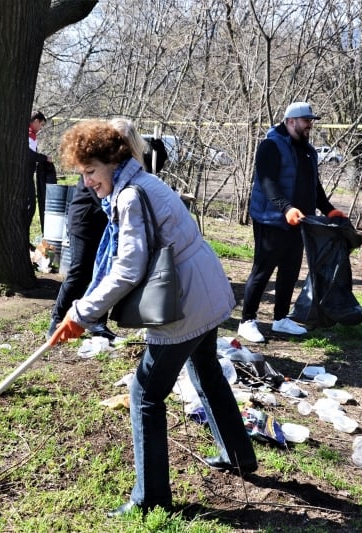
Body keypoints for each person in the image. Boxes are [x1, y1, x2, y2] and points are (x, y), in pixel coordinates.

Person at [50, 120, 256, 518]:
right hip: (205, 290)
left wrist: (80, 314)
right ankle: (238, 454)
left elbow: (128, 269)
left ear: (113, 160)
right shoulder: (144, 181)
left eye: (91, 172)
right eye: (83, 174)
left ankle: (151, 500)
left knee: (145, 394)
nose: (88, 183)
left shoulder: (130, 196)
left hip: (183, 300)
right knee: (206, 370)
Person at [46, 118, 167, 340]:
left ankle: (97, 322)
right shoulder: (97, 168)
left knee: (105, 271)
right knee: (80, 271)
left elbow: (144, 168)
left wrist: (159, 150)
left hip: (105, 224)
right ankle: (57, 319)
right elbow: (107, 197)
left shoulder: (125, 172)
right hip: (84, 221)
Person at [238, 102, 345, 343]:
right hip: (271, 219)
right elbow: (268, 183)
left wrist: (329, 209)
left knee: (290, 271)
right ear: (290, 121)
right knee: (262, 271)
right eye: (306, 120)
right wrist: (285, 208)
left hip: (300, 221)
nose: (310, 125)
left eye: (311, 121)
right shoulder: (270, 146)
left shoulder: (308, 151)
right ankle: (247, 321)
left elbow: (313, 185)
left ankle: (280, 319)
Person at [27, 111, 56, 237]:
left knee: (31, 207)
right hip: (25, 176)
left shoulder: (32, 136)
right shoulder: (27, 135)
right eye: (41, 125)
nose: (41, 128)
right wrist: (44, 158)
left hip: (28, 174)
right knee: (30, 207)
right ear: (36, 121)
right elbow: (29, 155)